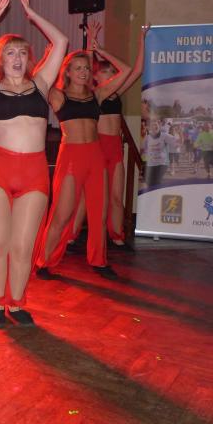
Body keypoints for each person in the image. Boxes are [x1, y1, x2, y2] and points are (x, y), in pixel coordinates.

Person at [0, 0, 68, 329]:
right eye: (10, 52)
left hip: (34, 172)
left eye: (22, 52)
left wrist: (33, 15)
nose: (17, 57)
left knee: (23, 246)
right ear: (0, 58)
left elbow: (61, 41)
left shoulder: (41, 83)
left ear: (29, 59)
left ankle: (17, 302)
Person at [35, 29, 140, 282]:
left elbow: (126, 71)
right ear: (68, 72)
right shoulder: (58, 96)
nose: (83, 72)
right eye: (78, 68)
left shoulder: (98, 94)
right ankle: (43, 261)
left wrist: (101, 51)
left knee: (99, 214)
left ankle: (99, 260)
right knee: (62, 214)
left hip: (96, 156)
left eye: (86, 68)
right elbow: (38, 81)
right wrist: (46, 58)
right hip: (71, 157)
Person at [68, 22, 148, 247]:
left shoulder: (117, 92)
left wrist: (142, 40)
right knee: (86, 197)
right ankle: (71, 235)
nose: (112, 74)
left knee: (116, 196)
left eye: (113, 72)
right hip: (98, 147)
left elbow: (135, 70)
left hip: (115, 149)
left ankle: (117, 235)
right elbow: (85, 65)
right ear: (95, 77)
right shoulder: (93, 94)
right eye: (106, 71)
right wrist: (92, 47)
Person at [142, 119, 177, 187]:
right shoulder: (147, 137)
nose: (154, 126)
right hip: (150, 163)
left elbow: (176, 142)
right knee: (149, 183)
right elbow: (143, 149)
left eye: (156, 125)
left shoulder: (165, 136)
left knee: (157, 182)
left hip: (162, 163)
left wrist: (180, 134)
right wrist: (143, 160)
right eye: (152, 125)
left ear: (159, 126)